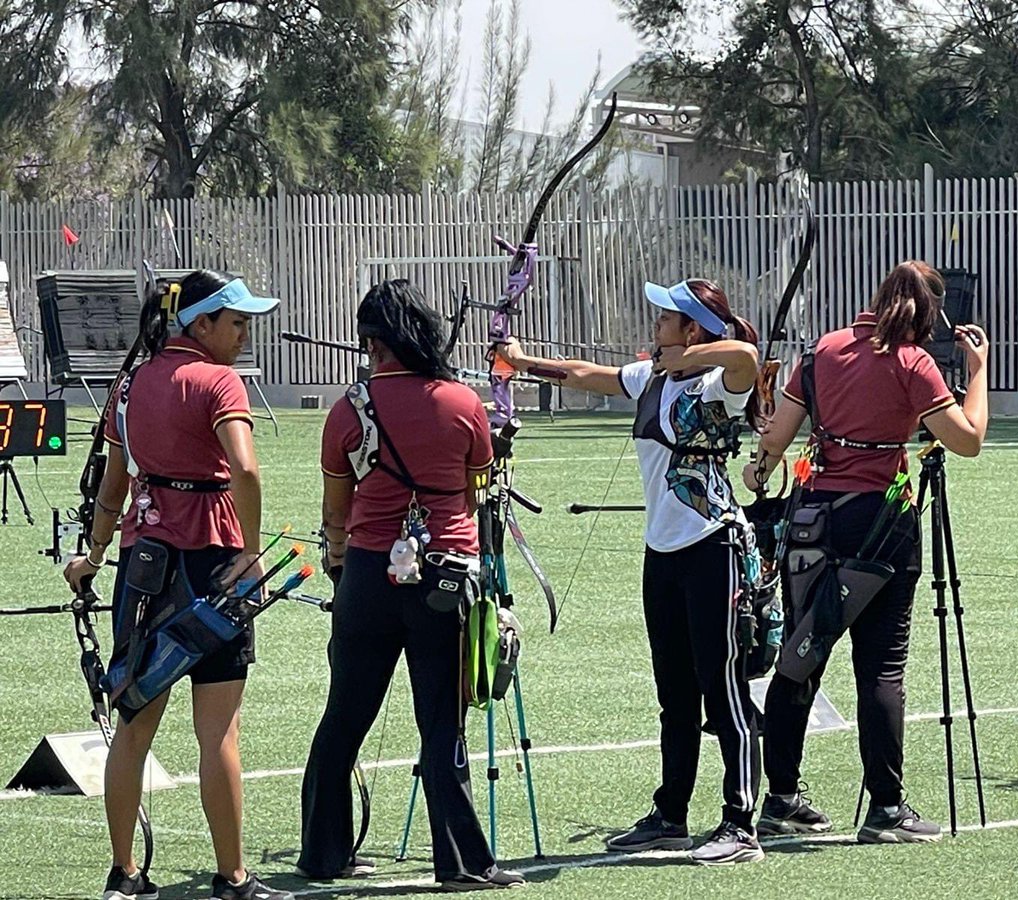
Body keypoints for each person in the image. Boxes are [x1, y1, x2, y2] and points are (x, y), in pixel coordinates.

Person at [496, 278, 766, 865]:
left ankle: (740, 822)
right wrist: (521, 362)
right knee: (674, 693)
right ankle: (671, 814)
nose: (657, 326)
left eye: (669, 319)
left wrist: (689, 357)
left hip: (710, 545)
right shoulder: (652, 378)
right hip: (662, 553)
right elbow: (583, 373)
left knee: (720, 688)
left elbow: (747, 354)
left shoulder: (718, 384)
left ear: (692, 330)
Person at [743, 259, 990, 844]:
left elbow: (776, 436)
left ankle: (779, 799)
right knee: (881, 667)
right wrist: (978, 373)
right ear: (931, 314)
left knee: (801, 655)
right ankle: (885, 808)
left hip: (814, 521)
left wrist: (760, 471)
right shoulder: (913, 362)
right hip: (881, 523)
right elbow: (968, 441)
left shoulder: (825, 350)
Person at [63, 270, 292, 900]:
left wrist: (94, 553)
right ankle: (232, 878)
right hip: (212, 568)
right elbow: (244, 467)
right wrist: (249, 553)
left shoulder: (131, 382)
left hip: (143, 572)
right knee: (217, 731)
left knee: (135, 724)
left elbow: (113, 487)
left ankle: (124, 874)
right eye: (236, 321)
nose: (244, 333)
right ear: (200, 324)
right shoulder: (217, 380)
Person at [298, 279, 525, 890]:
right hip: (445, 576)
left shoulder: (349, 409)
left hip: (368, 572)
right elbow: (479, 482)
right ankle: (462, 862)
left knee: (344, 716)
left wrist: (343, 567)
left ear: (376, 343)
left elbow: (335, 510)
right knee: (442, 724)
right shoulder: (461, 401)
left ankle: (323, 854)